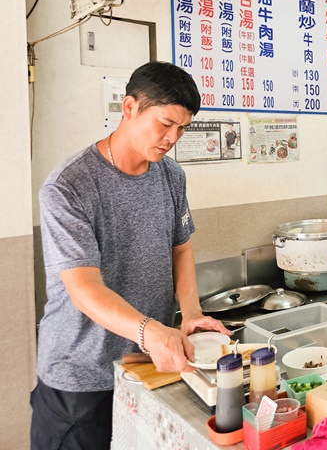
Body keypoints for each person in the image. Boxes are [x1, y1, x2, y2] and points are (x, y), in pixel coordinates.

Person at [31, 61, 231, 450]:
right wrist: (150, 331)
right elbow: (84, 288)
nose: (172, 137)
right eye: (164, 123)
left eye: (182, 129)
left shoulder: (171, 175)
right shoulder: (69, 185)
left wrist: (190, 314)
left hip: (148, 367)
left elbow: (182, 248)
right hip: (81, 376)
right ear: (129, 108)